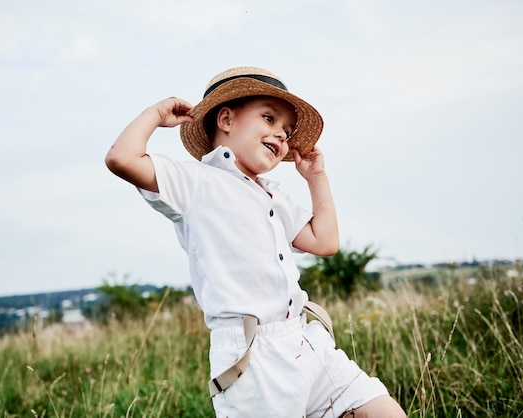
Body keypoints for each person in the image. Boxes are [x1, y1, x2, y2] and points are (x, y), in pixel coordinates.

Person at [105, 67, 406, 417]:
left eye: (287, 131)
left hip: (304, 341)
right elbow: (121, 158)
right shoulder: (197, 182)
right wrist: (154, 115)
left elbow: (325, 242)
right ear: (227, 119)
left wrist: (316, 177)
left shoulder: (271, 196)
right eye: (269, 118)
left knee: (384, 411)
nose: (281, 135)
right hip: (252, 357)